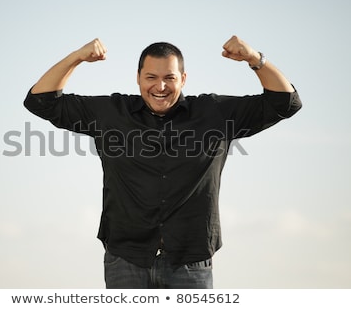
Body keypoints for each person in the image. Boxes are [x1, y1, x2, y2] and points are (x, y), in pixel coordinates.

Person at [24, 36, 302, 289]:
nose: (160, 86)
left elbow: (285, 102)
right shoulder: (111, 113)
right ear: (138, 78)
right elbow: (41, 101)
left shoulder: (215, 114)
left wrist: (255, 58)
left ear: (183, 78)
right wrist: (77, 57)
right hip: (126, 261)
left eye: (169, 77)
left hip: (190, 264)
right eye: (151, 77)